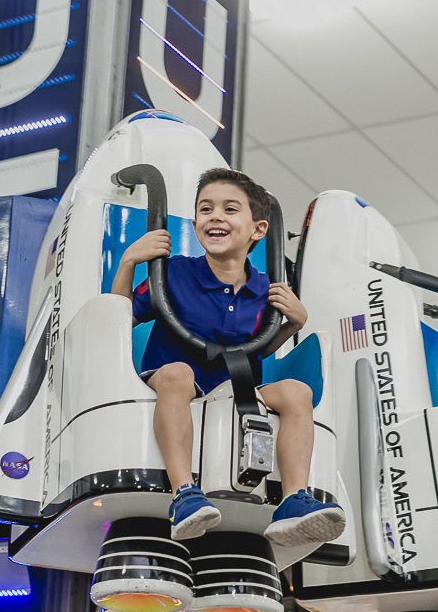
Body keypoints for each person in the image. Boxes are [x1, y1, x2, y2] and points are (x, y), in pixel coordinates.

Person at [110, 167, 346, 546]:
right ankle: (184, 493)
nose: (215, 216)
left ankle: (294, 499)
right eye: (206, 209)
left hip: (234, 390)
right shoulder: (173, 274)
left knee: (297, 392)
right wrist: (127, 263)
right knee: (178, 374)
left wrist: (291, 324)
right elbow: (115, 320)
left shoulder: (265, 289)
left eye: (229, 209)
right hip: (175, 383)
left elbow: (257, 348)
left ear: (258, 230)